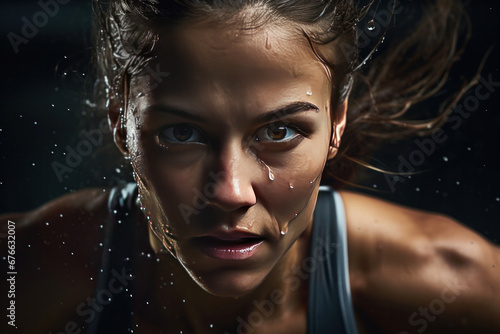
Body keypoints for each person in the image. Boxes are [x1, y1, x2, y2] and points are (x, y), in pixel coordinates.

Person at [2, 0, 499, 333]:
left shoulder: (448, 278)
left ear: (338, 123)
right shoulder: (24, 269)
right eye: (182, 132)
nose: (230, 192)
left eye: (279, 132)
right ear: (120, 120)